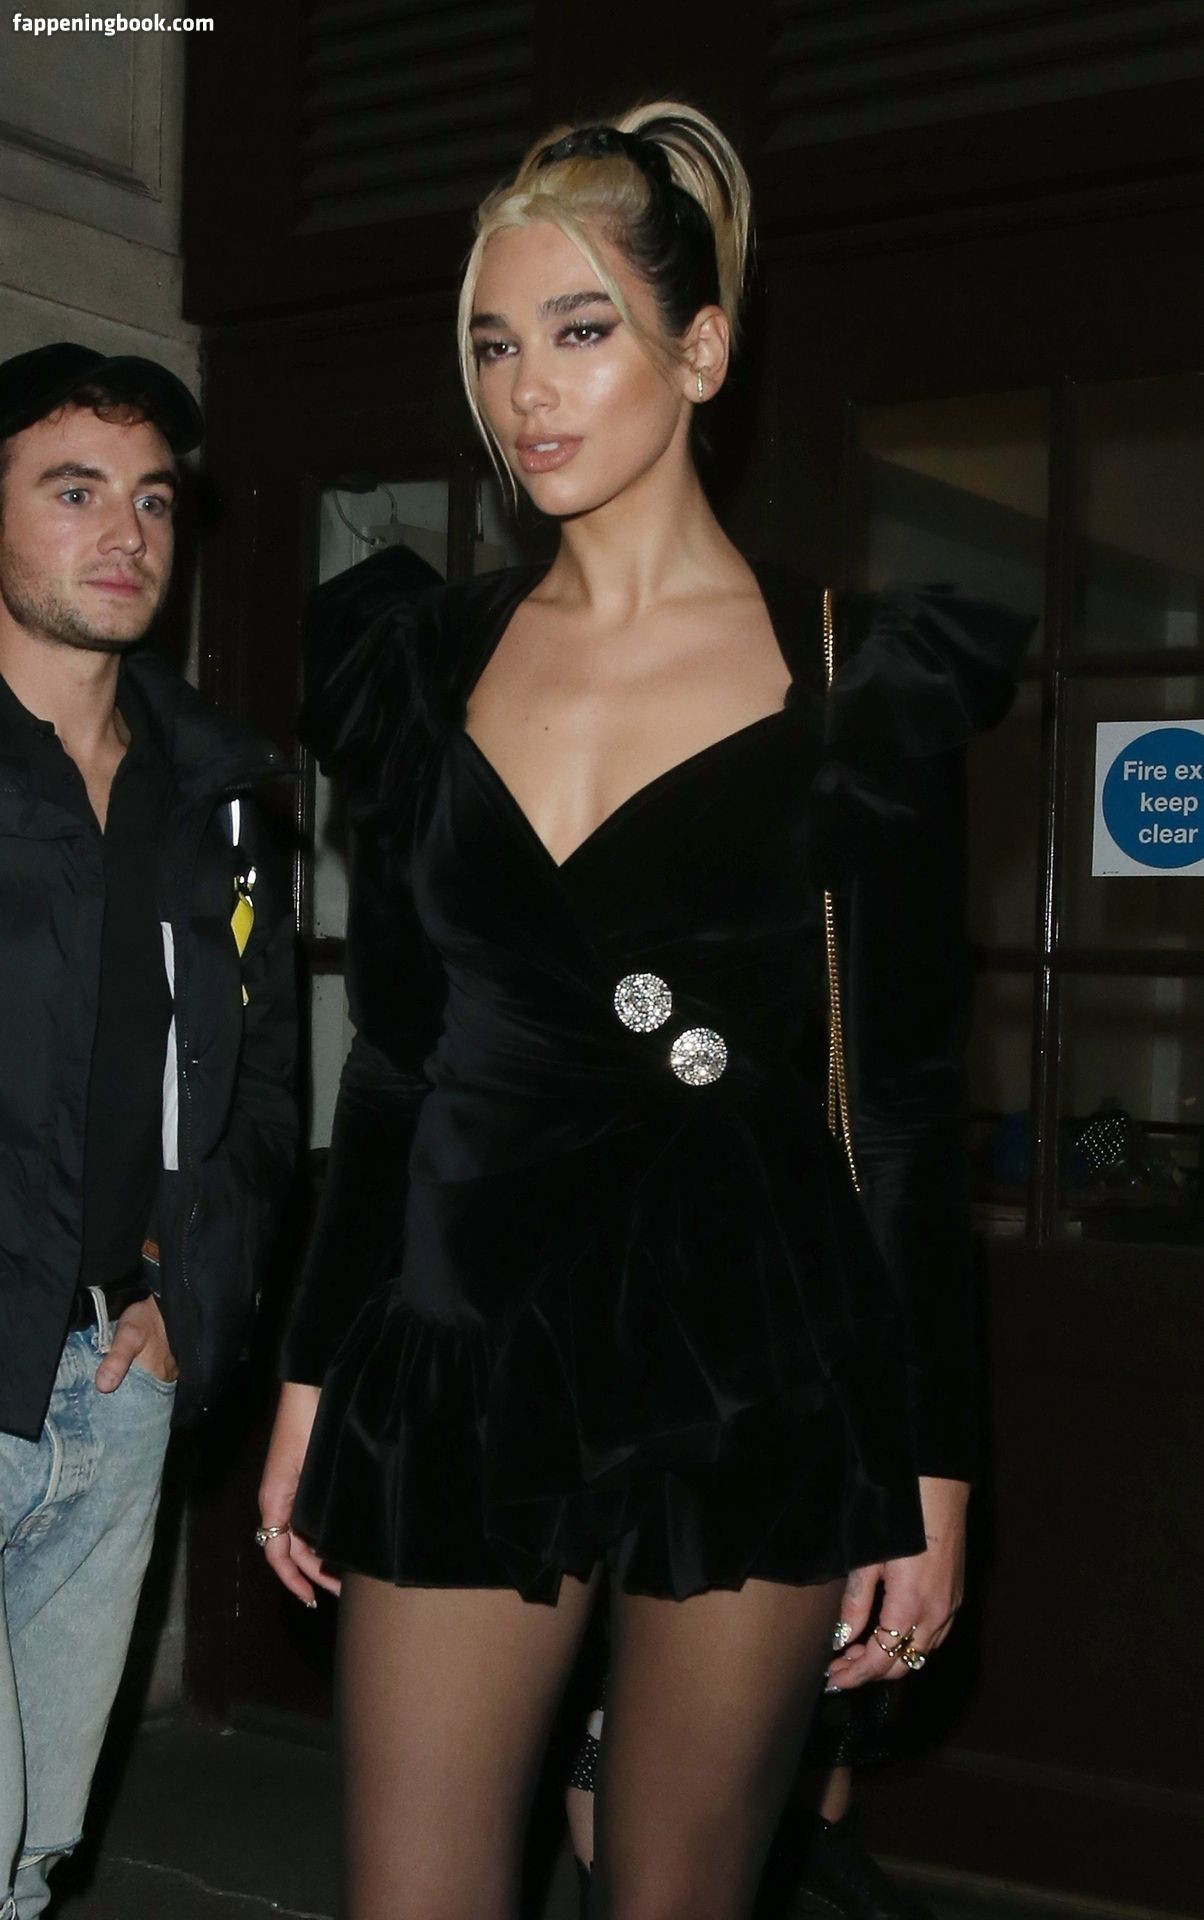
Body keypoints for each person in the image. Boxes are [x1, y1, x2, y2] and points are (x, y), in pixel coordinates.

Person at [259, 103, 1032, 1920]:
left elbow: (904, 1101)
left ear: (703, 351)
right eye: (494, 343)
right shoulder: (421, 659)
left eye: (581, 329)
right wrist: (309, 1378)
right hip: (465, 1335)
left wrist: (934, 1464)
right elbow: (395, 1064)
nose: (528, 389)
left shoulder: (853, 675)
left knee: (676, 1895)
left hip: (756, 1348)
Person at [0, 342, 298, 1920]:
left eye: (153, 500)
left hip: (116, 1386)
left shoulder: (222, 794)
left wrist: (192, 1288)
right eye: (73, 491)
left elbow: (264, 1085)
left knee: (32, 1849)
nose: (125, 532)